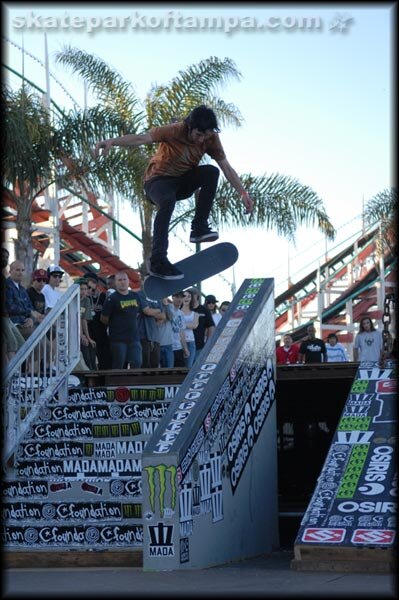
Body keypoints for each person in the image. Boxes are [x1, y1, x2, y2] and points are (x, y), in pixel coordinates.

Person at [94, 105, 254, 280]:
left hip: (182, 182)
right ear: (189, 127)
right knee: (168, 201)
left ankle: (199, 227)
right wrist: (113, 141)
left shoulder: (211, 138)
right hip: (157, 182)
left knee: (211, 172)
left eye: (205, 136)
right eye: (198, 135)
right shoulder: (173, 131)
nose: (201, 140)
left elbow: (227, 168)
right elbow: (141, 138)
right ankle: (158, 261)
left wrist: (243, 193)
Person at [100, 271, 142, 369]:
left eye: (124, 279)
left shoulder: (135, 296)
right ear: (115, 282)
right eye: (119, 280)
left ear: (128, 281)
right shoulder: (112, 298)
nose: (122, 282)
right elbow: (104, 318)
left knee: (137, 362)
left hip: (134, 338)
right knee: (119, 366)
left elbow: (138, 313)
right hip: (118, 339)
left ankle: (133, 384)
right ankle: (117, 385)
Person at [5, 260, 44, 340]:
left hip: (25, 323)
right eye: (17, 270)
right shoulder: (6, 285)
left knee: (45, 331)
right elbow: (10, 307)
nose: (20, 273)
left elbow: (31, 307)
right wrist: (29, 312)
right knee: (38, 336)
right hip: (13, 324)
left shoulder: (22, 289)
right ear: (10, 271)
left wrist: (31, 319)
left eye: (22, 270)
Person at [84, 273, 112, 370]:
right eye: (87, 283)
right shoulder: (84, 298)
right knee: (89, 360)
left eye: (93, 282)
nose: (90, 285)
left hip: (101, 332)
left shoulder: (103, 296)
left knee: (104, 360)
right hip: (88, 332)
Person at [1, 248, 25, 361]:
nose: (4, 259)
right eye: (2, 256)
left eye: (6, 257)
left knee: (21, 343)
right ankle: (12, 376)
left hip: (7, 317)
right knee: (11, 342)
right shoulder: (8, 283)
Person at [188, 288, 215, 361]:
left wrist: (208, 343)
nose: (188, 298)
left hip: (199, 347)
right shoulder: (182, 309)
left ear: (197, 296)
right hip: (184, 346)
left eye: (190, 296)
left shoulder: (204, 310)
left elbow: (211, 326)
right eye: (186, 296)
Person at [77, 278, 97, 371]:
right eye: (81, 289)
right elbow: (75, 319)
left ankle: (94, 372)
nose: (84, 291)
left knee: (91, 345)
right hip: (71, 330)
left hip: (81, 329)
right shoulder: (72, 299)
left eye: (86, 289)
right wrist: (81, 335)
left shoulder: (86, 301)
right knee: (84, 348)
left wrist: (88, 337)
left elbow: (83, 319)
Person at [169, 291, 190, 367]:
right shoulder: (168, 309)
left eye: (181, 297)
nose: (179, 299)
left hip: (178, 347)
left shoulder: (181, 313)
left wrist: (185, 348)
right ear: (172, 297)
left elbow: (181, 332)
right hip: (168, 347)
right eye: (177, 297)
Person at [181, 290, 199, 368]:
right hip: (179, 343)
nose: (186, 298)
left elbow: (194, 325)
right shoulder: (177, 312)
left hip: (191, 342)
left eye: (189, 296)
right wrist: (188, 324)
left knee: (189, 367)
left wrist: (182, 324)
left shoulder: (195, 314)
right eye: (184, 296)